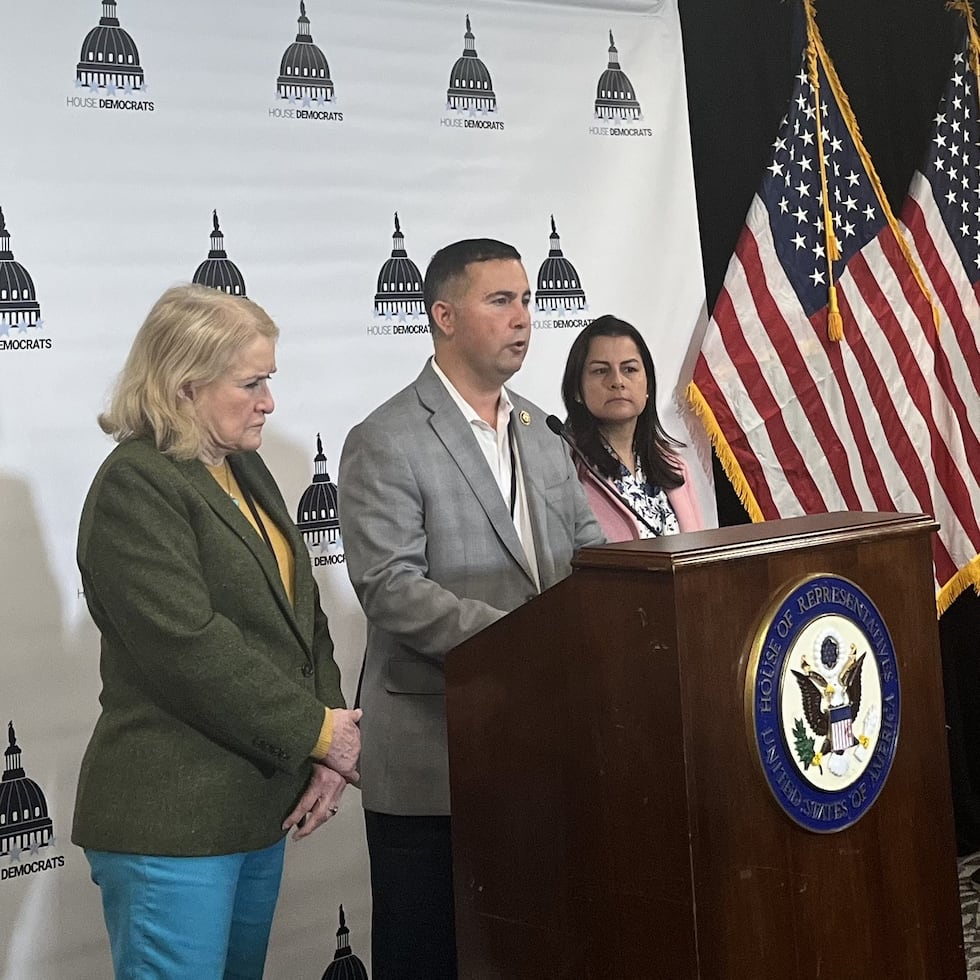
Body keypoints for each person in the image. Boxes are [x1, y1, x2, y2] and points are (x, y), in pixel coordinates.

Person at [73, 283, 362, 980]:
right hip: (171, 820)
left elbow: (303, 616)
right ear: (185, 387)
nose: (269, 402)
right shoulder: (136, 483)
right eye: (251, 383)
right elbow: (189, 646)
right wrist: (320, 732)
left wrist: (328, 739)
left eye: (269, 380)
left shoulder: (242, 465)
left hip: (253, 809)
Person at [338, 238, 604, 979]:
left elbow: (589, 556)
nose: (523, 318)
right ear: (444, 316)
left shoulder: (544, 432)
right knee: (432, 960)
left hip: (543, 754)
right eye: (501, 301)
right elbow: (390, 585)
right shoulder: (386, 438)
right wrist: (524, 640)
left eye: (527, 300)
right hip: (436, 758)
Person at [560, 314, 704, 540]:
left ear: (648, 385)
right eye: (601, 371)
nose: (617, 381)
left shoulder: (674, 467)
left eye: (629, 369)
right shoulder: (565, 469)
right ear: (577, 390)